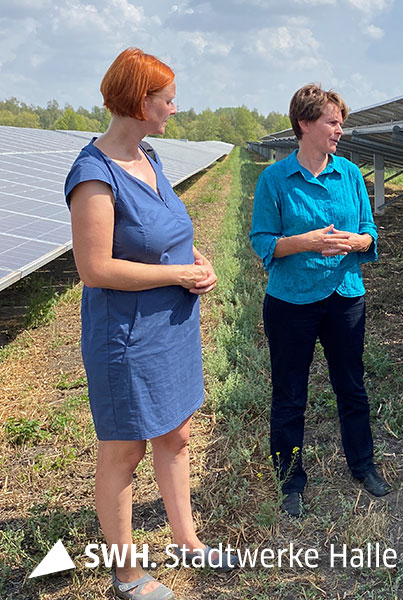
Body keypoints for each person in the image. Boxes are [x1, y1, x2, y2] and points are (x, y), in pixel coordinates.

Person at [64, 48, 234, 600]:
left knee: (177, 433)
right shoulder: (94, 175)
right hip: (128, 337)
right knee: (124, 450)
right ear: (140, 103)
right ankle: (127, 571)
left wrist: (196, 260)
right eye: (167, 99)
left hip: (171, 328)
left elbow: (162, 233)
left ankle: (187, 540)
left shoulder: (149, 156)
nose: (174, 108)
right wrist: (178, 273)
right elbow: (95, 268)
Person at [249, 83, 389, 518]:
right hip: (292, 301)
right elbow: (261, 241)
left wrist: (359, 241)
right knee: (290, 393)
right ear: (305, 124)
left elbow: (370, 231)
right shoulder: (275, 178)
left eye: (341, 123)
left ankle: (363, 465)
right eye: (332, 122)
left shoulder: (348, 174)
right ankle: (290, 480)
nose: (339, 130)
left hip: (345, 295)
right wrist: (304, 243)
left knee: (351, 385)